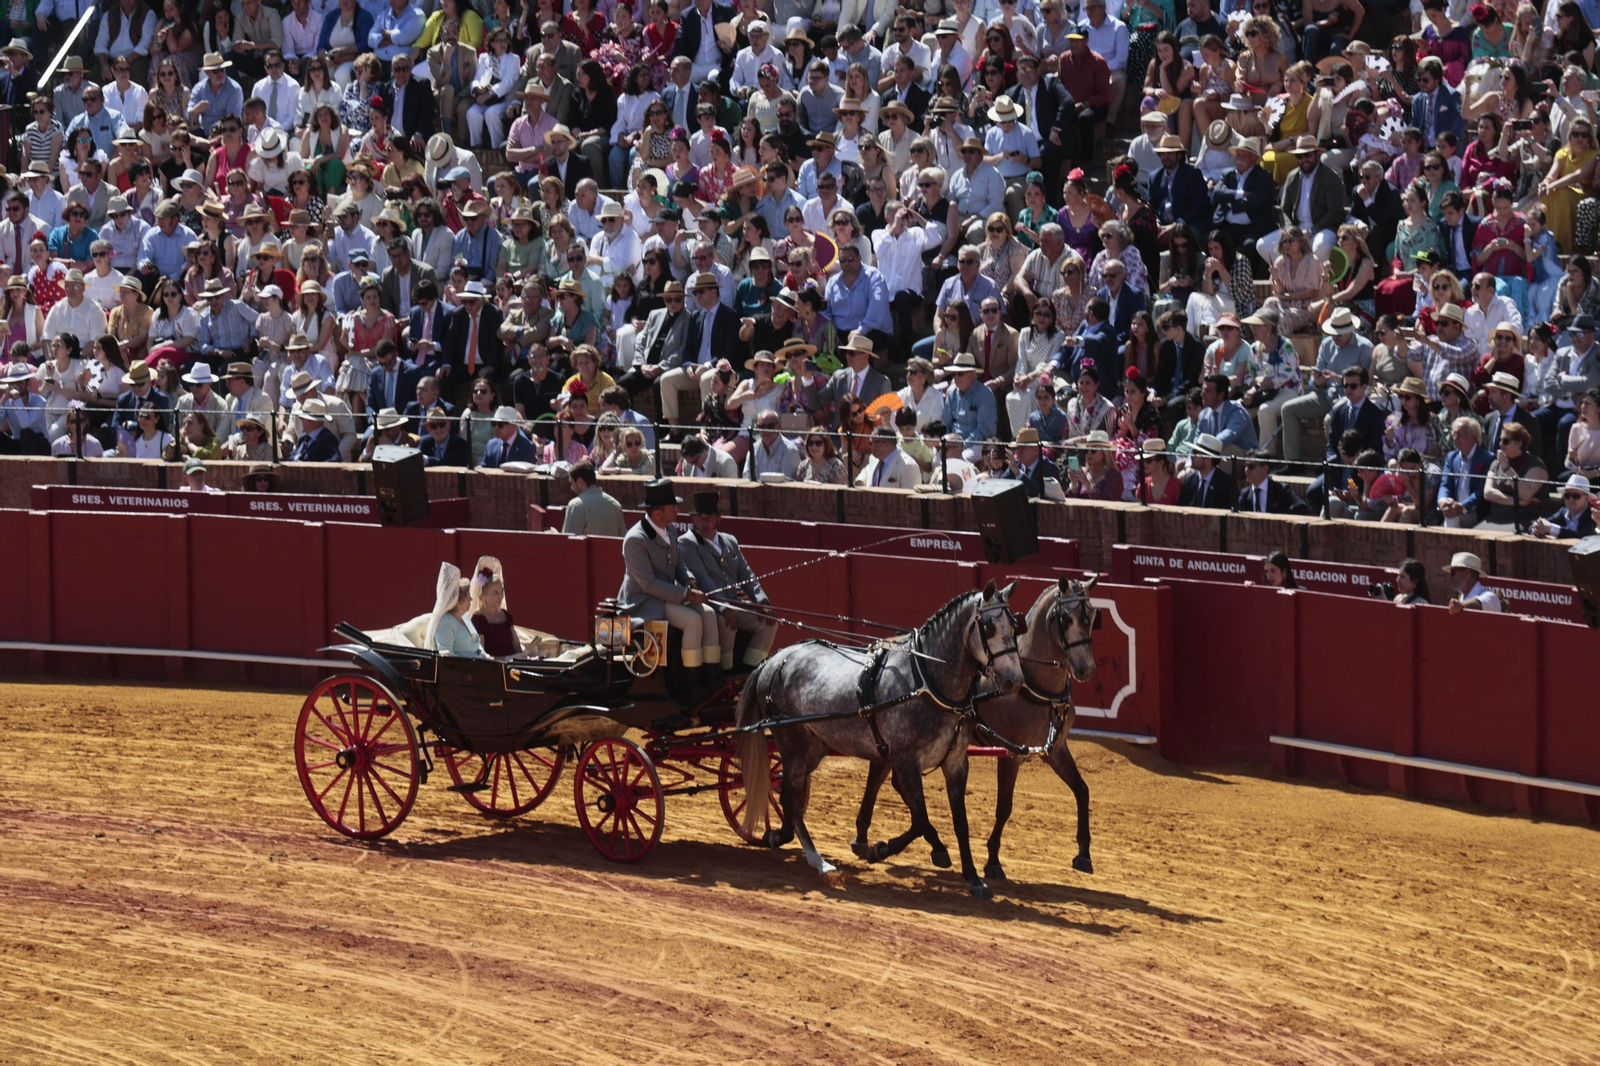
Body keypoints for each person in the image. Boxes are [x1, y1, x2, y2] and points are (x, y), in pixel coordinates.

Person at [619, 478, 722, 695]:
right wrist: (686, 594)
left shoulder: (670, 529)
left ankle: (711, 678)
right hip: (644, 601)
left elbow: (679, 563)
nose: (677, 509)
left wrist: (688, 579)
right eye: (672, 506)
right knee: (692, 620)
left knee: (710, 614)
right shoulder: (635, 540)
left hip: (669, 595)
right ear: (658, 513)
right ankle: (691, 686)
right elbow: (648, 584)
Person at [677, 490, 777, 674]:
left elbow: (746, 574)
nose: (704, 522)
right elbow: (703, 580)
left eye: (709, 517)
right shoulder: (687, 543)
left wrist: (761, 600)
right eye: (700, 517)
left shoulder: (730, 541)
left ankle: (750, 672)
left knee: (769, 622)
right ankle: (725, 675)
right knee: (727, 623)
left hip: (734, 605)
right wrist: (724, 607)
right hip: (711, 607)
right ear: (693, 519)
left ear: (718, 518)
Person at [426, 565, 487, 657]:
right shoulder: (446, 624)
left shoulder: (465, 617)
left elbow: (476, 642)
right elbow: (447, 656)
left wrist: (484, 655)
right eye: (467, 596)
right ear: (458, 602)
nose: (471, 599)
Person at [563, 459, 626, 535]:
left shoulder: (576, 506)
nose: (571, 488)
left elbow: (567, 542)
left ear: (580, 481)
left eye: (572, 483)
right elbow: (623, 537)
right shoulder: (615, 504)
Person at [1239, 451, 1310, 513]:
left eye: (1251, 466)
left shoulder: (1281, 489)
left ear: (1265, 469)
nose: (1246, 470)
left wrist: (1276, 516)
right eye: (1245, 466)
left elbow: (1302, 507)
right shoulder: (1245, 494)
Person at [1178, 432, 1236, 507]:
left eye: (1195, 453)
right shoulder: (1189, 480)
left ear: (1208, 459)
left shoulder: (1226, 483)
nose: (1191, 456)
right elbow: (1181, 508)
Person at [1530, 476, 1598, 539]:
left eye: (1575, 496)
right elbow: (1540, 524)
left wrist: (1551, 528)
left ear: (1586, 499)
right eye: (1567, 495)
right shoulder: (1563, 512)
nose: (1571, 499)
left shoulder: (1593, 516)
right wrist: (1537, 527)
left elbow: (1581, 536)